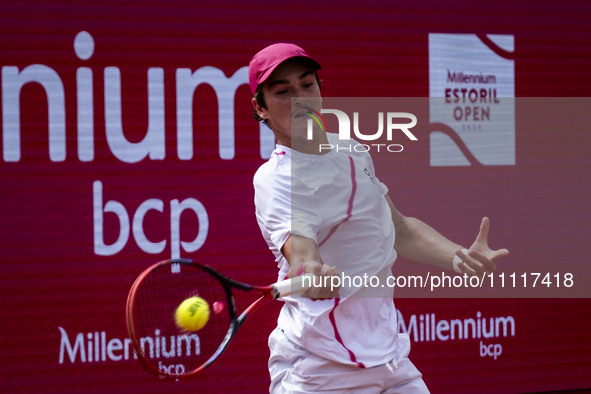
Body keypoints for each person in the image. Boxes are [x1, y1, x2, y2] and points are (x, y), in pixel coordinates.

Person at [249, 43, 509, 394]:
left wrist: (459, 257)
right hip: (322, 369)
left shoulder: (352, 151)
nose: (300, 98)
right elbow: (302, 255)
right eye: (282, 92)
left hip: (390, 357)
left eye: (307, 84)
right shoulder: (275, 178)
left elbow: (399, 229)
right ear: (260, 108)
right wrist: (310, 273)